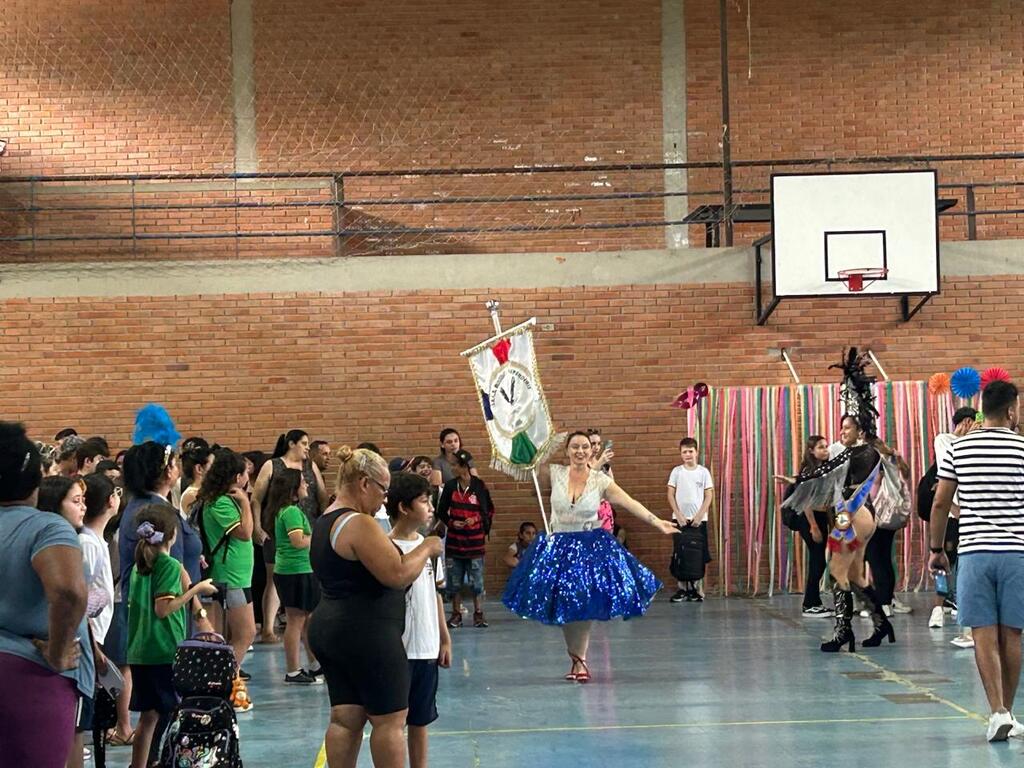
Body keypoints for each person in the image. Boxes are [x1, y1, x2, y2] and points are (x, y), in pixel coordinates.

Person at [503, 431, 677, 682]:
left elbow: (629, 502)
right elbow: (529, 465)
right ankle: (575, 658)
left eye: (585, 447)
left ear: (591, 451)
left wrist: (656, 522)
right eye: (574, 447)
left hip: (589, 546)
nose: (580, 451)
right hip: (559, 545)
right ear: (567, 451)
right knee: (566, 604)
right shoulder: (554, 473)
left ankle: (579, 660)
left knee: (582, 604)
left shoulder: (600, 480)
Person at [308, 446, 442, 768]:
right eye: (382, 489)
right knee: (391, 721)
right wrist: (426, 547)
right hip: (367, 635)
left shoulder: (325, 521)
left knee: (346, 717)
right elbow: (396, 573)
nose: (384, 499)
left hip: (330, 629)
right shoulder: (359, 524)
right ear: (364, 483)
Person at [784, 349, 900, 653]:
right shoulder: (859, 451)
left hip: (854, 516)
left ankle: (842, 630)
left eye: (846, 428)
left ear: (860, 430)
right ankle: (880, 623)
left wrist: (800, 481)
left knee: (836, 571)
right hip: (854, 516)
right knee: (853, 574)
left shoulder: (863, 451)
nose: (841, 432)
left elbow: (825, 470)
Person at [930, 380, 1024, 742]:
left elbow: (940, 502)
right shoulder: (1021, 448)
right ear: (1012, 411)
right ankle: (1010, 713)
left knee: (983, 633)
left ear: (984, 408)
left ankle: (997, 711)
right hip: (1016, 553)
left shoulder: (959, 448)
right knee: (1012, 633)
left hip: (974, 552)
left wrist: (938, 549)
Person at [0, 424, 90, 768]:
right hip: (27, 675)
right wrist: (56, 650)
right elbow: (67, 592)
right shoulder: (46, 527)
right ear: (36, 477)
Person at [126, 504, 216, 767]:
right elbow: (164, 609)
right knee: (173, 714)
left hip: (141, 652)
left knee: (149, 716)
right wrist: (197, 588)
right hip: (163, 650)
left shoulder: (140, 565)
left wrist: (200, 617)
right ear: (171, 534)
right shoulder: (167, 564)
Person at [387, 472, 452, 768]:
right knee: (393, 720)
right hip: (395, 650)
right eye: (424, 502)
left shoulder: (432, 548)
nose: (429, 508)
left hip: (426, 646)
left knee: (420, 720)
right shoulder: (385, 547)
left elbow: (436, 595)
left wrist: (444, 637)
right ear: (404, 507)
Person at [251, 430, 328, 644]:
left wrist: (323, 525)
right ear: (291, 444)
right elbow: (256, 498)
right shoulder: (272, 465)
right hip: (278, 529)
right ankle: (268, 627)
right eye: (304, 443)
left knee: (308, 576)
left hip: (308, 526)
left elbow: (322, 496)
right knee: (274, 577)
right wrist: (257, 526)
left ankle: (305, 629)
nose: (306, 447)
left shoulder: (310, 466)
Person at [196, 448, 256, 712]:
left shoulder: (224, 499)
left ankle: (226, 683)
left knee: (236, 634)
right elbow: (244, 533)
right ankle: (227, 686)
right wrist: (245, 503)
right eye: (244, 473)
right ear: (236, 476)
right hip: (231, 575)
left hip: (240, 574)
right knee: (246, 633)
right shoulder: (220, 502)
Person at [266, 467, 322, 684]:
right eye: (303, 483)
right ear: (293, 489)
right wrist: (318, 537)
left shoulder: (286, 511)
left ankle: (315, 664)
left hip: (295, 571)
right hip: (296, 572)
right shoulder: (291, 512)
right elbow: (298, 541)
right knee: (296, 621)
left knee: (306, 621)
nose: (307, 486)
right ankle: (293, 670)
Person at [927, 407, 977, 630]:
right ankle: (938, 606)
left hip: (969, 511)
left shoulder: (976, 444)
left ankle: (957, 600)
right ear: (967, 422)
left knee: (962, 560)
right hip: (950, 510)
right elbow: (949, 460)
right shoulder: (944, 439)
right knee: (942, 557)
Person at [435, 449, 493, 629]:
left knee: (477, 582)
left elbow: (489, 511)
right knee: (454, 581)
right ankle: (456, 614)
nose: (452, 468)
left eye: (455, 465)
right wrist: (452, 523)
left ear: (464, 467)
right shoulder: (450, 487)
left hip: (475, 543)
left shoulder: (480, 486)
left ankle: (478, 613)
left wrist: (475, 520)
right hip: (454, 542)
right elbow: (441, 511)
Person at [776, 435, 833, 617]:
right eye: (821, 447)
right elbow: (806, 501)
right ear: (811, 451)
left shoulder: (822, 469)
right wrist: (813, 526)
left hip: (821, 517)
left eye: (826, 446)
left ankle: (815, 602)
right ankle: (809, 604)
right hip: (810, 518)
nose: (825, 450)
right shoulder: (810, 471)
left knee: (818, 560)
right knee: (817, 561)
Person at [667, 437, 714, 602]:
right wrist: (678, 514)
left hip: (698, 521)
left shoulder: (703, 472)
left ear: (696, 452)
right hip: (679, 521)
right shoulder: (677, 472)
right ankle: (682, 589)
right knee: (680, 553)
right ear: (681, 454)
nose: (688, 454)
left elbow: (709, 495)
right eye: (684, 452)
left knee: (697, 554)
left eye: (690, 451)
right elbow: (670, 494)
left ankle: (695, 589)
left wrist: (700, 515)